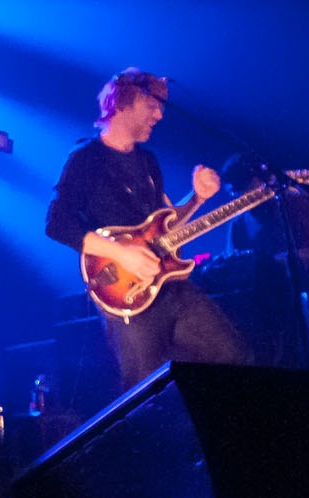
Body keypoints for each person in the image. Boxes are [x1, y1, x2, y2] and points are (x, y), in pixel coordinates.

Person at [45, 68, 252, 390]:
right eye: (152, 106)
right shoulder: (86, 159)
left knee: (235, 358)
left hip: (172, 286)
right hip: (127, 293)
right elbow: (57, 224)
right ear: (123, 103)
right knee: (146, 391)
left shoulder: (148, 161)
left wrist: (197, 198)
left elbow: (163, 227)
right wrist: (121, 252)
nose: (159, 115)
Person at [221, 152, 309, 294]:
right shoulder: (238, 224)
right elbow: (235, 267)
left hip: (308, 294)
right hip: (265, 299)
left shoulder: (301, 207)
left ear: (264, 180)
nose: (239, 196)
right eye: (233, 191)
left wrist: (270, 263)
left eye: (243, 185)